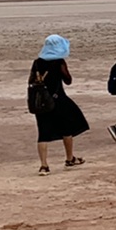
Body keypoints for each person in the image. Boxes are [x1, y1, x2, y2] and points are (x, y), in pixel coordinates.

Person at [28, 34, 90, 173]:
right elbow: (68, 80)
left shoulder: (37, 62)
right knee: (67, 128)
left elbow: (31, 81)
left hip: (41, 102)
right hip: (58, 99)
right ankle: (69, 158)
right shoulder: (59, 62)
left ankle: (44, 165)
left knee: (43, 133)